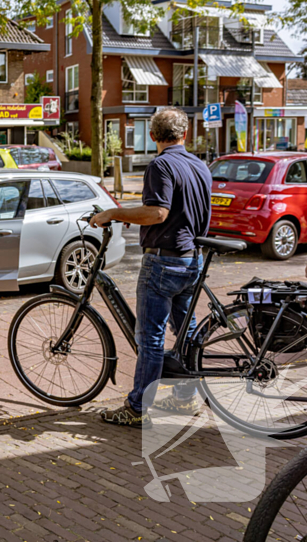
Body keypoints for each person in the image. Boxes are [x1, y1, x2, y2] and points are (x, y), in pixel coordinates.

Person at [89, 108, 212, 427]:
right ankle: (185, 399)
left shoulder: (161, 164)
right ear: (184, 134)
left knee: (150, 339)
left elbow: (157, 213)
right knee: (186, 332)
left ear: (153, 136)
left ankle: (137, 407)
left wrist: (114, 214)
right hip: (192, 260)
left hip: (163, 262)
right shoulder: (200, 165)